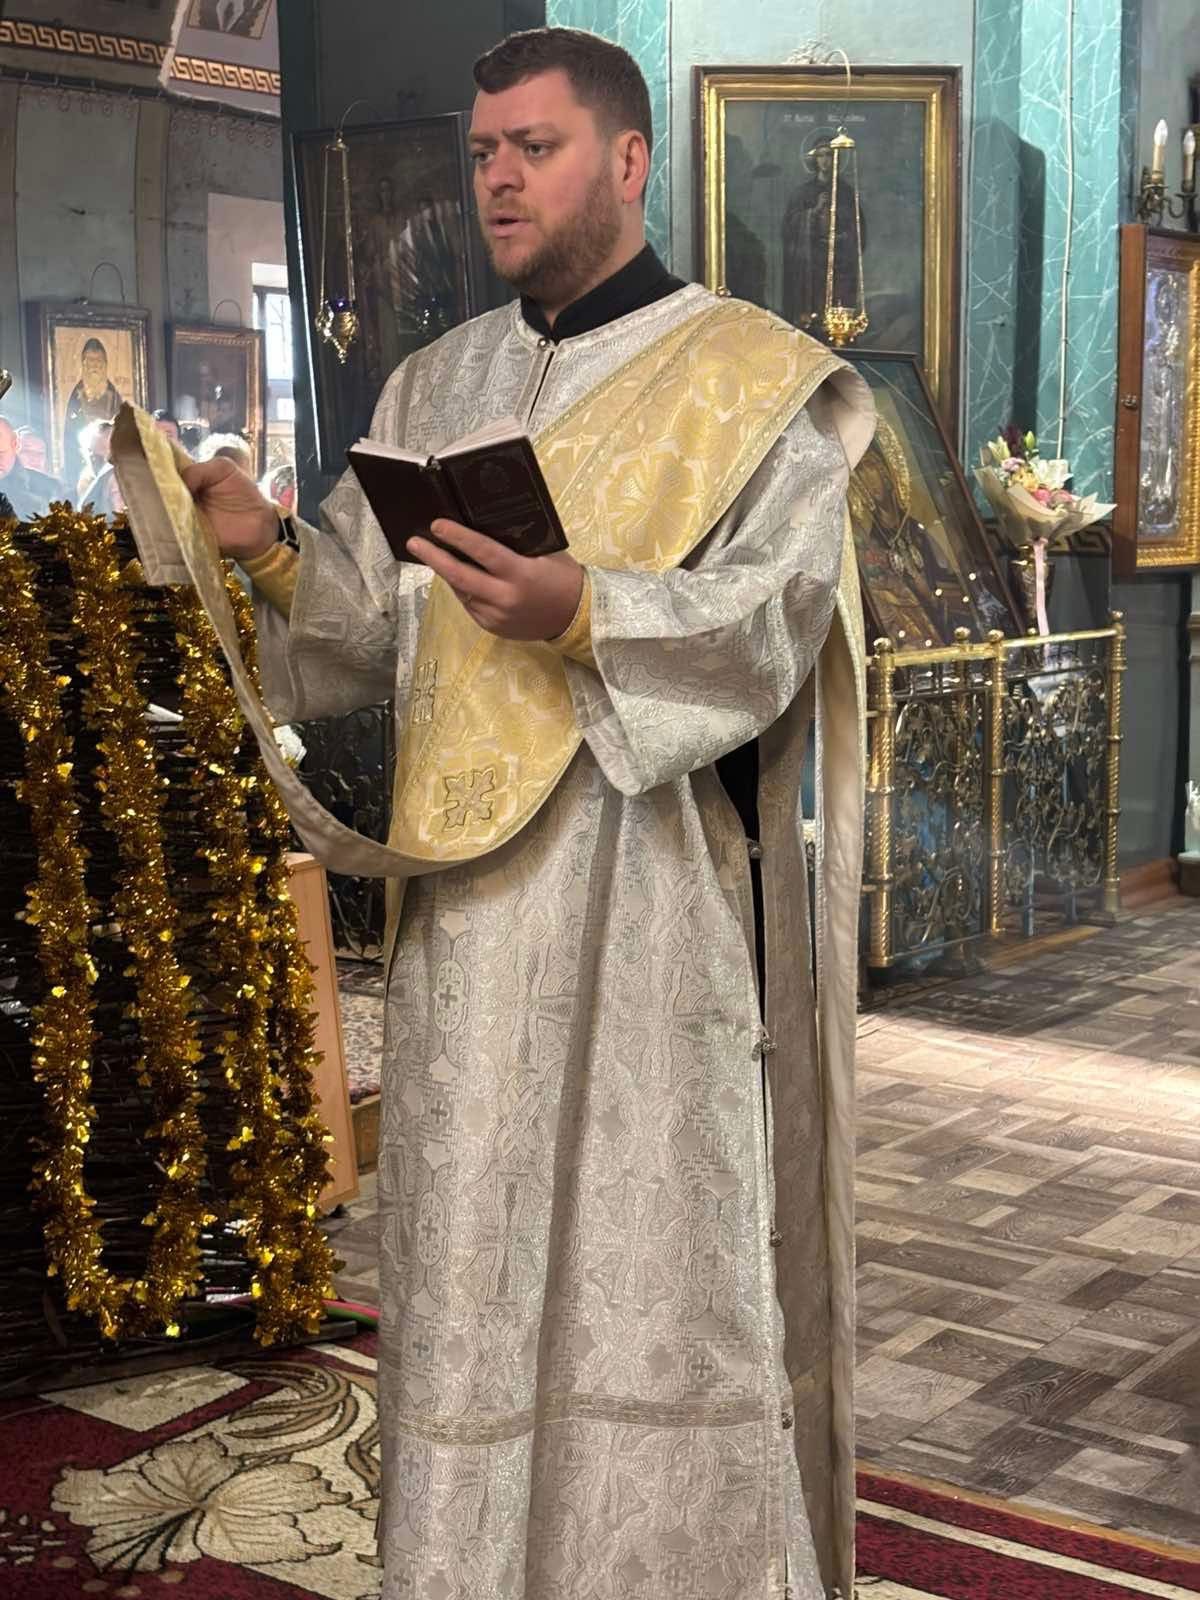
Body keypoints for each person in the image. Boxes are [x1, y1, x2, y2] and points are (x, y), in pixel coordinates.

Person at [181, 28, 872, 1600]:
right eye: (484, 151)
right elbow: (370, 631)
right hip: (465, 915)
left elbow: (773, 622)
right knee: (468, 1255)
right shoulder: (436, 380)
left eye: (534, 149)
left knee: (647, 1261)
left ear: (626, 162)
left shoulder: (748, 380)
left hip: (641, 900)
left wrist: (587, 610)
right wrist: (272, 549)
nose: (497, 178)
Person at [63, 337, 122, 485]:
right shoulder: (76, 394)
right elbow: (70, 430)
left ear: (104, 364)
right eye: (90, 360)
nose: (94, 365)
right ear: (84, 364)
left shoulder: (113, 395)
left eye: (98, 360)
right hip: (82, 457)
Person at [0, 415, 65, 519]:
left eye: (39, 453)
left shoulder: (51, 489)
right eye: (27, 451)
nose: (34, 458)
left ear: (15, 445)